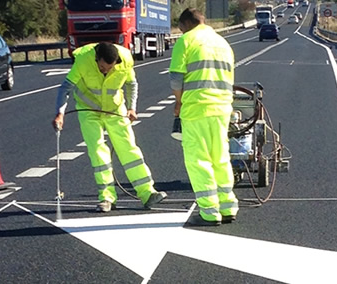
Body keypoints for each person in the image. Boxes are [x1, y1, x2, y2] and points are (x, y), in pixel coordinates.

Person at [52, 42, 166, 212]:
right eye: (103, 67)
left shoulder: (125, 59)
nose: (107, 70)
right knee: (98, 151)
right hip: (89, 109)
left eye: (111, 67)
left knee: (129, 148)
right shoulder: (83, 60)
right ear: (96, 59)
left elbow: (131, 84)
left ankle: (147, 192)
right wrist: (60, 113)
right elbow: (65, 88)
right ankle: (107, 197)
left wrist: (132, 107)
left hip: (115, 109)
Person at [169, 8, 237, 226]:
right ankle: (228, 206)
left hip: (197, 108)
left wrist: (178, 102)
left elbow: (176, 78)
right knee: (221, 157)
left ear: (187, 23)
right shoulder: (223, 44)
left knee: (199, 159)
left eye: (180, 28)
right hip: (222, 108)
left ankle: (209, 211)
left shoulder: (187, 41)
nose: (180, 31)